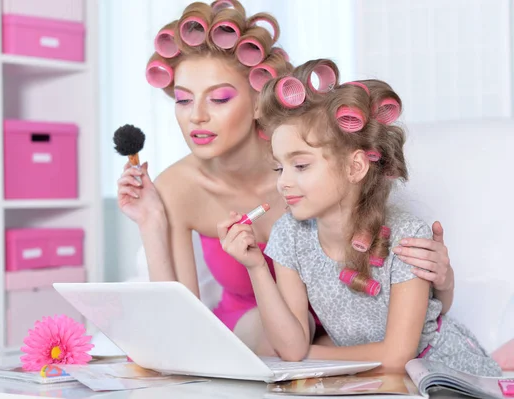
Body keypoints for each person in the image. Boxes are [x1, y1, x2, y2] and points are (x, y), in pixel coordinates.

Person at [117, 0, 455, 355]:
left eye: (218, 98)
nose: (196, 117)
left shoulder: (318, 158)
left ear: (259, 99)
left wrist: (442, 283)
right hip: (261, 339)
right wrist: (151, 224)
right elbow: (180, 331)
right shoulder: (178, 187)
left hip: (338, 340)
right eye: (183, 100)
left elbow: (407, 304)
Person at [217, 59, 502, 376]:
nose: (282, 181)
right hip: (371, 380)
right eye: (279, 167)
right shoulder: (289, 235)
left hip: (444, 373)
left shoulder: (406, 236)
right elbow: (291, 347)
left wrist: (312, 355)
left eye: (300, 166)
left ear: (355, 167)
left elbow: (396, 357)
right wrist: (257, 268)